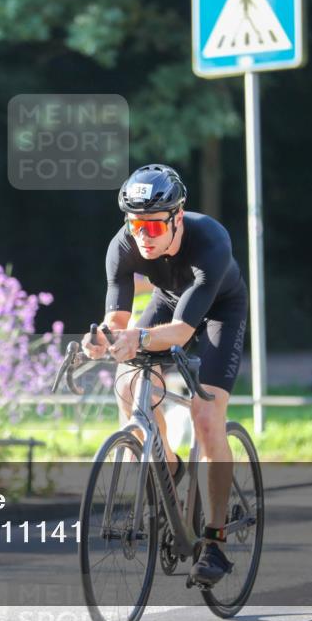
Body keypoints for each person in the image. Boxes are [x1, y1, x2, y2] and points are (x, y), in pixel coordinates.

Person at [80, 163, 248, 586]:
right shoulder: (123, 245)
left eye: (153, 228)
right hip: (168, 301)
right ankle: (168, 464)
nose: (142, 237)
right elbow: (118, 318)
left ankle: (214, 540)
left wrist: (136, 336)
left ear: (178, 216)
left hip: (217, 313)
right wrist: (101, 339)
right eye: (135, 225)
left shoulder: (211, 240)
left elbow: (182, 331)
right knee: (127, 381)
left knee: (206, 417)